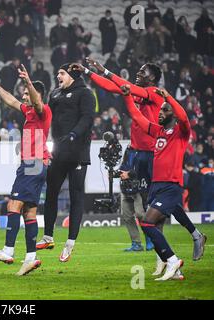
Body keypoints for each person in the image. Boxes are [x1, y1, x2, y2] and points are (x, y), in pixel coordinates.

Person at [74, 57, 165, 251]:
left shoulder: (153, 93)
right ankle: (141, 242)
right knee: (130, 202)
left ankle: (166, 237)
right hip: (135, 152)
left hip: (150, 154)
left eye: (143, 72)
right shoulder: (141, 94)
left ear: (153, 78)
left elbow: (123, 87)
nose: (138, 74)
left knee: (146, 203)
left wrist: (104, 70)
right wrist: (90, 72)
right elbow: (113, 87)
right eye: (139, 71)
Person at [120, 84, 207, 281]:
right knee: (156, 230)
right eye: (160, 109)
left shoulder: (182, 132)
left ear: (174, 114)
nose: (161, 112)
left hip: (171, 186)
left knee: (147, 223)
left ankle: (173, 260)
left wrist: (169, 97)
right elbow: (138, 117)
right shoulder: (157, 131)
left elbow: (184, 116)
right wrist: (127, 98)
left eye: (165, 110)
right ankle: (175, 270)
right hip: (155, 187)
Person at [0, 65, 52, 276]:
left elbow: (37, 101)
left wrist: (29, 82)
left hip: (33, 163)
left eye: (27, 92)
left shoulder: (43, 110)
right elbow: (10, 100)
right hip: (37, 164)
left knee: (13, 204)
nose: (23, 95)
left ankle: (8, 250)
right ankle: (31, 258)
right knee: (29, 212)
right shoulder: (28, 112)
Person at [35, 64, 95, 263]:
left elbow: (88, 118)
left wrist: (74, 134)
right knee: (50, 192)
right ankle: (48, 237)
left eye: (61, 73)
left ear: (72, 75)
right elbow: (46, 116)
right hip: (59, 151)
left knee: (75, 197)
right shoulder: (55, 94)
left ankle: (70, 243)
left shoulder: (85, 93)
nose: (58, 75)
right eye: (58, 73)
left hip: (77, 151)